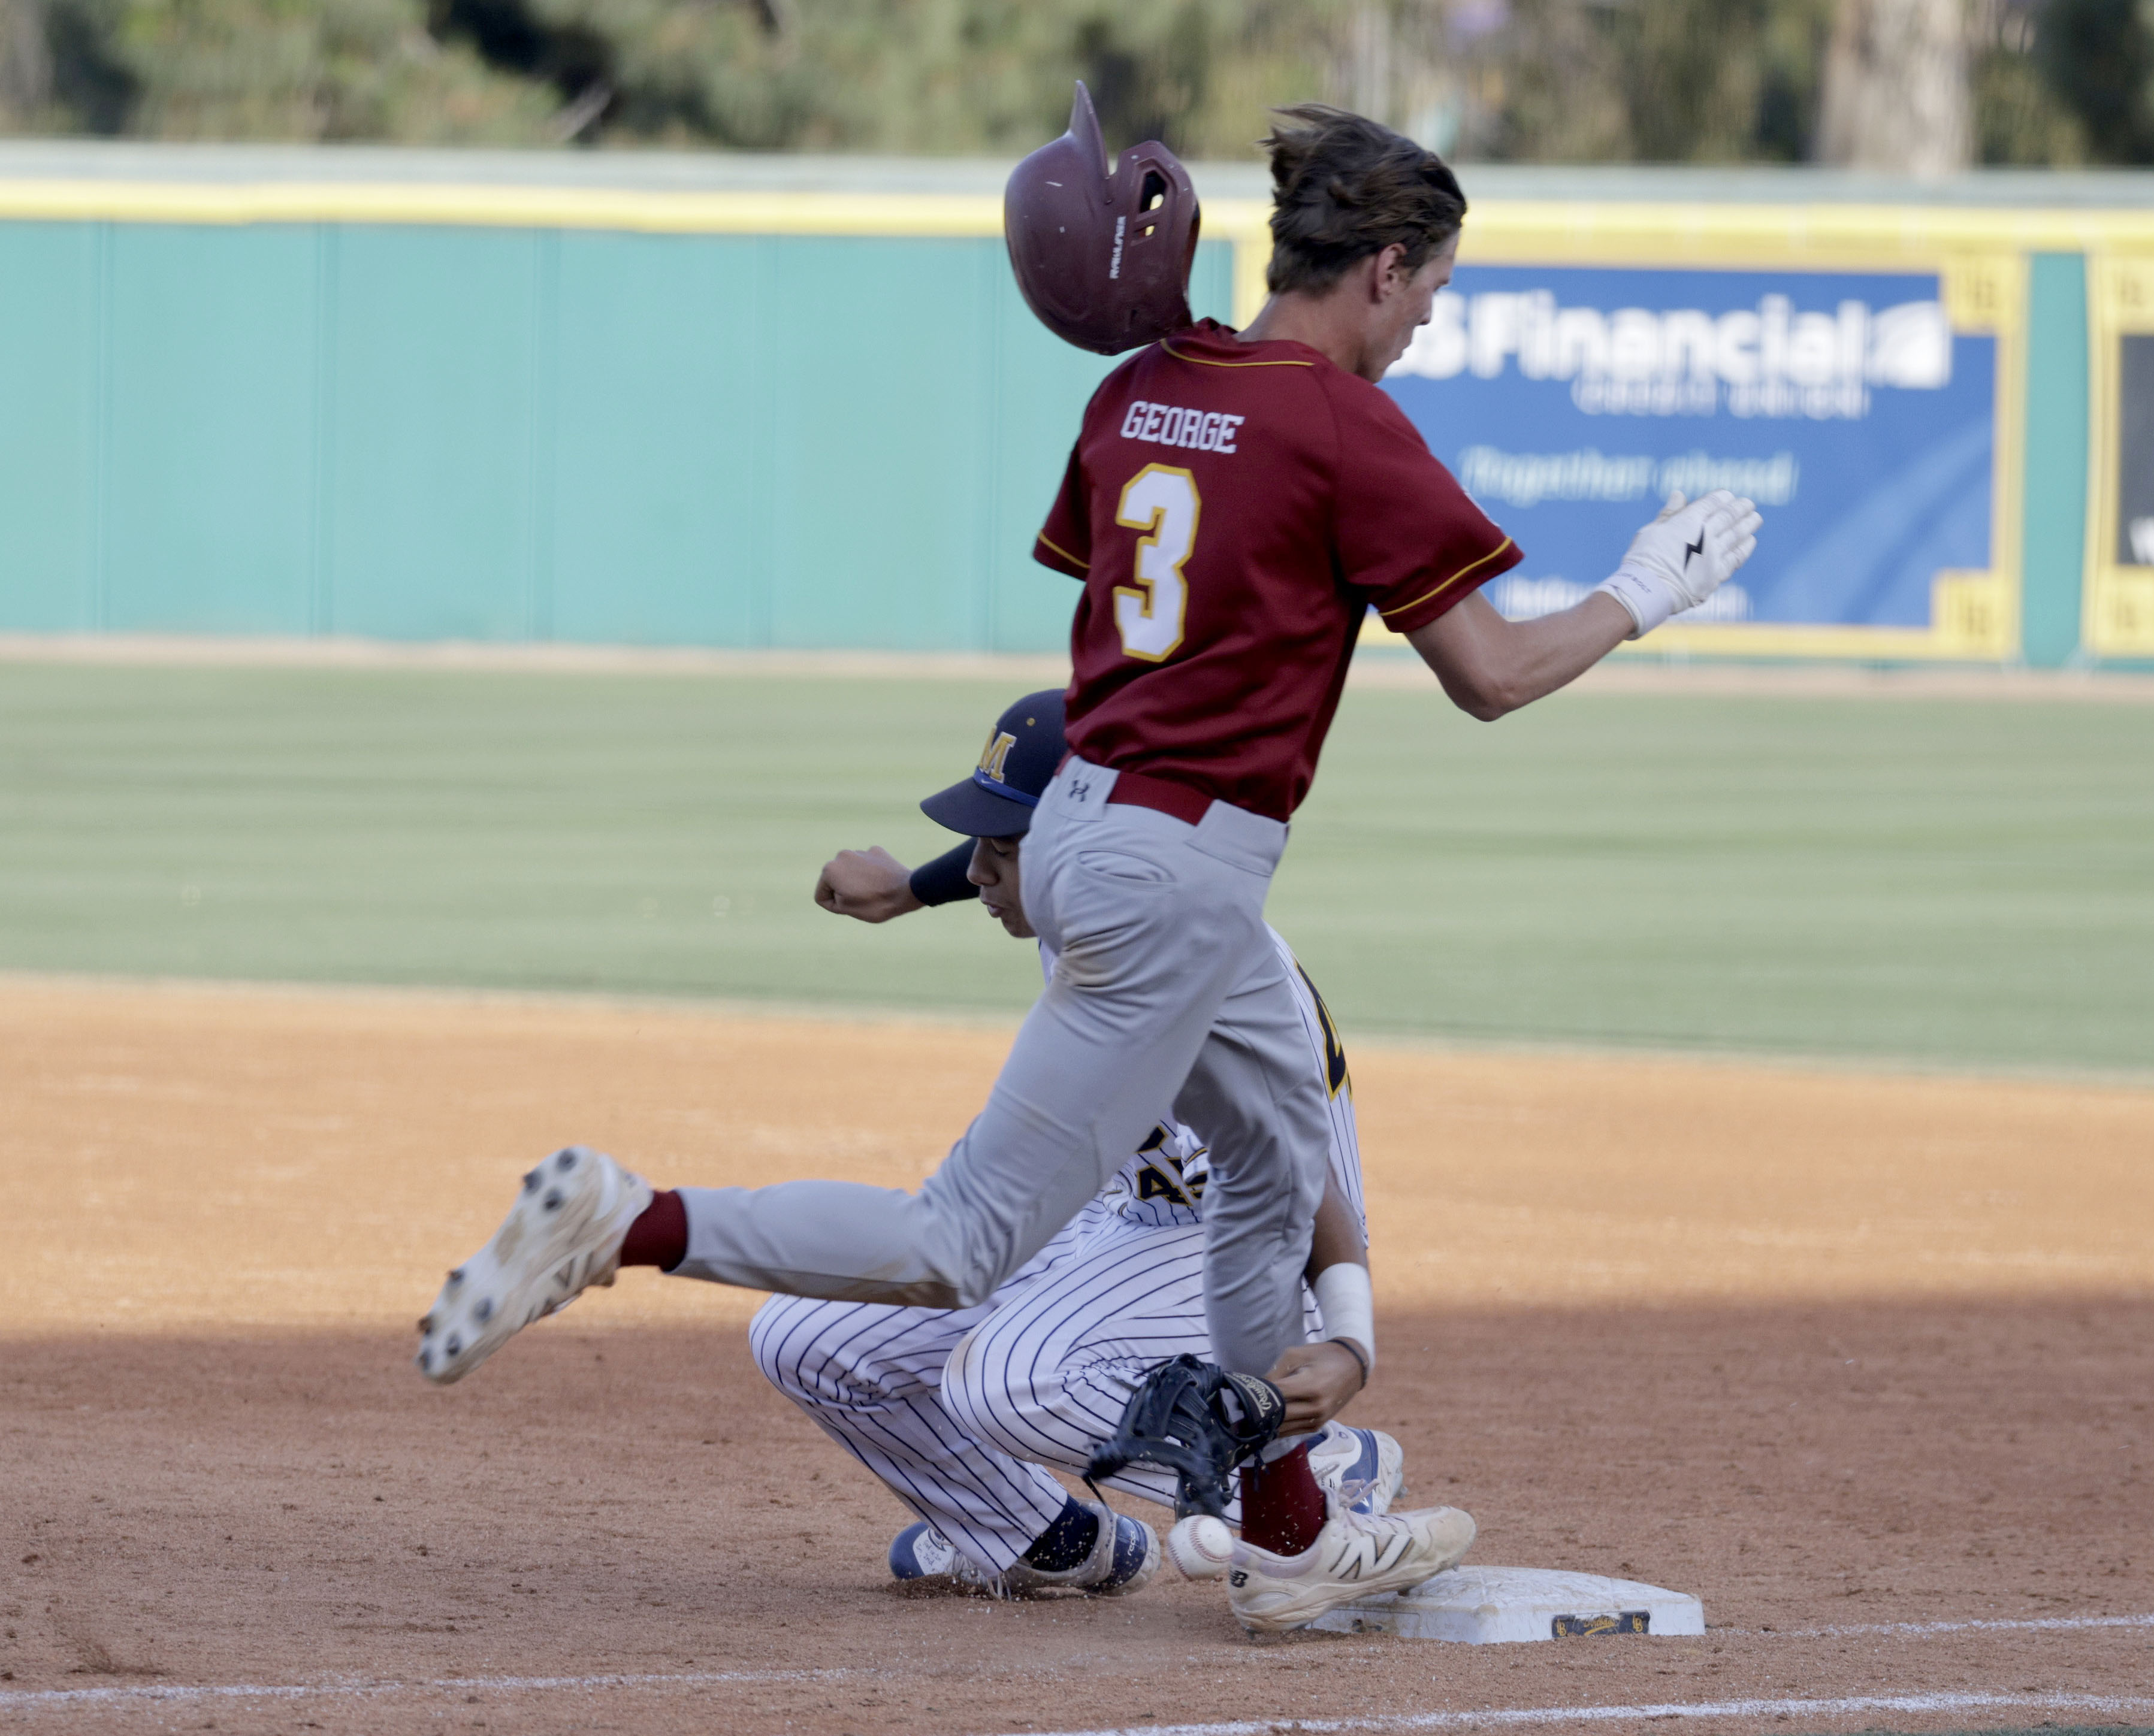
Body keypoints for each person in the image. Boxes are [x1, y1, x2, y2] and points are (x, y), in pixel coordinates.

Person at [418, 97, 1757, 1631]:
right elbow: (1492, 674)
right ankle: (630, 1216)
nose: (1425, 325)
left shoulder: (1138, 392)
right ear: (1381, 267)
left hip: (1093, 831)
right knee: (956, 1246)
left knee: (1269, 1154)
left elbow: (1140, 615)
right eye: (1432, 290)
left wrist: (928, 880)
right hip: (1177, 869)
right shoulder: (1345, 424)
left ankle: (1290, 1528)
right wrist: (1646, 591)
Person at [753, 686, 1409, 1605]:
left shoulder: (1182, 950)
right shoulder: (1101, 891)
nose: (981, 871)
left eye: (1003, 849)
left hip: (1255, 1244)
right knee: (808, 1336)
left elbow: (1291, 1177)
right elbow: (1018, 846)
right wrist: (910, 889)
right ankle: (1044, 1540)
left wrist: (1346, 1344)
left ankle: (1321, 1467)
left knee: (1014, 1379)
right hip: (1128, 1211)